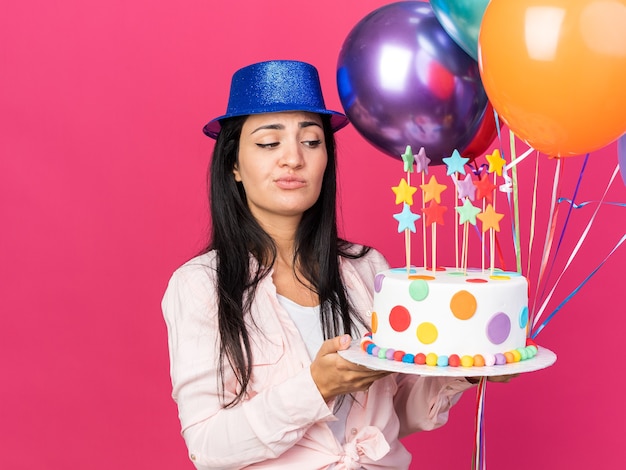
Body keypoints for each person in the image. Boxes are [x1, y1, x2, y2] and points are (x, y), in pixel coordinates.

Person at [162, 60, 507, 470]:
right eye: (269, 143)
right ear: (234, 165)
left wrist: (466, 370)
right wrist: (317, 387)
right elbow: (208, 447)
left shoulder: (365, 269)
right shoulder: (201, 285)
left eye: (311, 141)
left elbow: (393, 408)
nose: (292, 158)